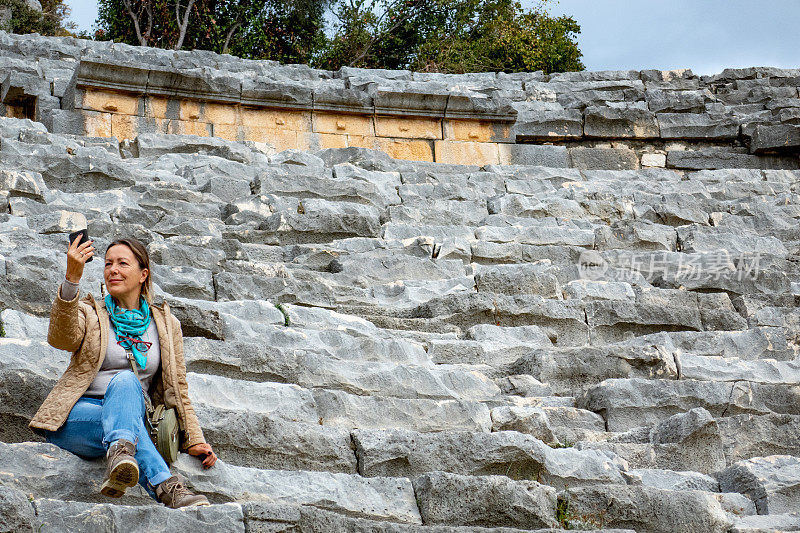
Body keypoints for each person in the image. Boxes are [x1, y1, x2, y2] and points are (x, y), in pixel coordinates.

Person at [29, 235, 218, 508]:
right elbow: (61, 338)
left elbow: (177, 387)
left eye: (122, 263)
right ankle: (166, 485)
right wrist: (72, 279)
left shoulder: (166, 324)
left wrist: (194, 440)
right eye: (107, 264)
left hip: (129, 419)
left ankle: (122, 455)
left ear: (143, 274)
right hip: (76, 418)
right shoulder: (91, 311)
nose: (112, 270)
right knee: (127, 383)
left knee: (127, 403)